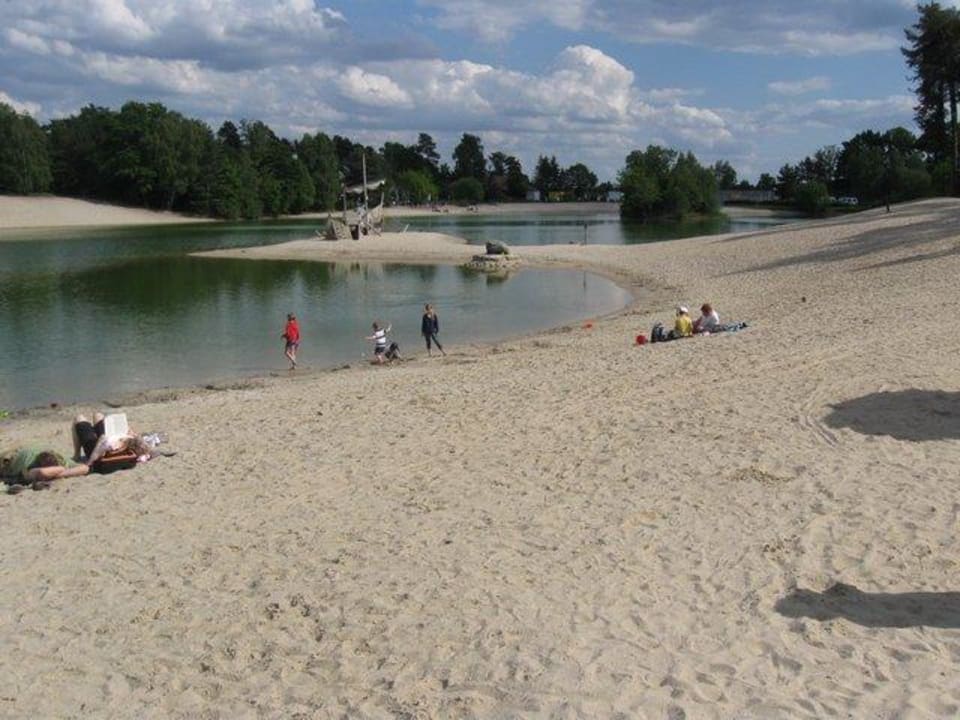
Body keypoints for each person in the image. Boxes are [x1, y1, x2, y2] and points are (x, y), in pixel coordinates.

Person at [1, 446, 90, 491]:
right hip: (8, 460)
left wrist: (59, 472)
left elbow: (85, 468)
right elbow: (42, 472)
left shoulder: (61, 459)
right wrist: (60, 471)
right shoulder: (30, 466)